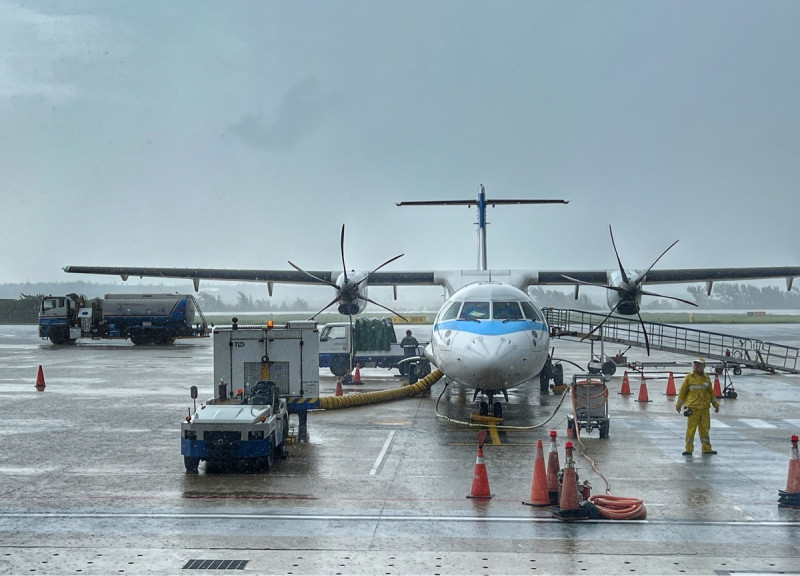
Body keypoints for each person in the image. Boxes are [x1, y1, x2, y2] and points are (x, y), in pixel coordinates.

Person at [675, 358, 720, 456]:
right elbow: (683, 392)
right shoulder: (689, 377)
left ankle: (707, 448)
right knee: (691, 430)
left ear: (703, 367)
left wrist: (715, 405)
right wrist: (679, 405)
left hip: (704, 408)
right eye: (695, 364)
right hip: (693, 408)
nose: (696, 366)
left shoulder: (706, 378)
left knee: (705, 429)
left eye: (698, 365)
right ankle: (689, 449)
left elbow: (711, 393)